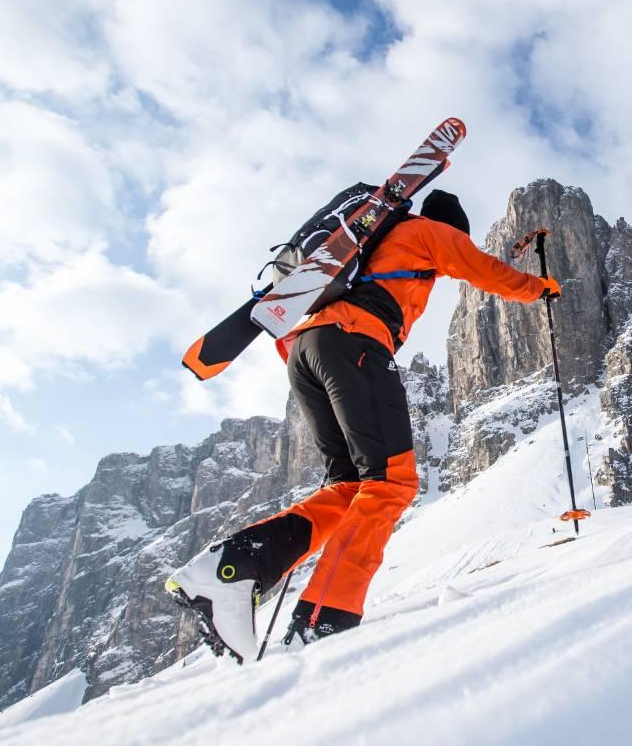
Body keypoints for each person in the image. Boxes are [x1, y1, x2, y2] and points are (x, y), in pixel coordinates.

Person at [166, 189, 558, 661]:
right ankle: (325, 617)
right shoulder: (429, 232)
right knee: (391, 482)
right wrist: (540, 288)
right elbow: (485, 270)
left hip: (307, 351)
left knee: (349, 486)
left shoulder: (374, 239)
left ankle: (230, 569)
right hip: (356, 342)